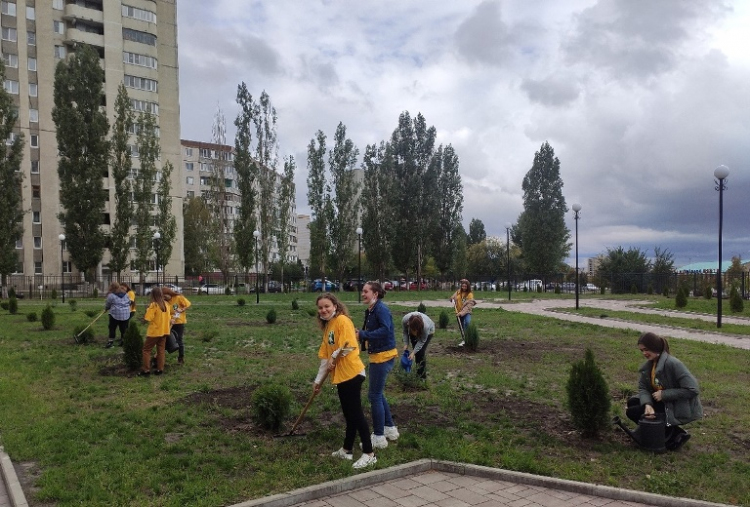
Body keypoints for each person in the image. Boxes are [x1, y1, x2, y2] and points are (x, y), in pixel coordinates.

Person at [314, 293, 377, 469]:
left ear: (335, 305)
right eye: (320, 308)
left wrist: (335, 356)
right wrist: (318, 381)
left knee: (356, 414)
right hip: (341, 376)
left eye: (327, 306)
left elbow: (348, 345)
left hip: (352, 374)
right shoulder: (328, 327)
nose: (324, 310)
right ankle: (347, 449)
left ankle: (370, 454)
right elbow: (326, 358)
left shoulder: (343, 321)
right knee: (349, 415)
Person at [625, 332, 703, 450]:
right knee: (633, 403)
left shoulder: (673, 364)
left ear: (655, 347)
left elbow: (693, 389)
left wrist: (664, 394)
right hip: (663, 402)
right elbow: (643, 387)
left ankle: (672, 435)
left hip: (676, 405)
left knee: (633, 412)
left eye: (646, 349)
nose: (644, 353)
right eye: (641, 350)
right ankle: (667, 432)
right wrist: (648, 404)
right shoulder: (650, 366)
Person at [356, 281, 399, 449]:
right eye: (362, 291)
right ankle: (390, 429)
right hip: (379, 356)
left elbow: (385, 330)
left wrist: (363, 334)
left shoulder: (381, 309)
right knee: (378, 394)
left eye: (365, 291)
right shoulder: (373, 309)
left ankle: (379, 437)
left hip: (383, 357)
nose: (363, 294)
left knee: (373, 396)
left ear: (375, 293)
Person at [138, 287, 172, 377]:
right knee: (161, 351)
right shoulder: (166, 304)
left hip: (154, 332)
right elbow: (169, 318)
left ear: (153, 295)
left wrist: (147, 310)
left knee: (146, 350)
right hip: (164, 331)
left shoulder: (154, 305)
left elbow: (148, 318)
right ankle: (160, 369)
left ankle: (146, 370)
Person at [401, 312, 435, 380]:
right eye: (414, 331)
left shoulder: (426, 327)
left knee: (420, 352)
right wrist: (406, 343)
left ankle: (422, 377)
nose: (415, 333)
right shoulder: (405, 320)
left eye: (417, 331)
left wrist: (413, 352)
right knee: (416, 353)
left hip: (429, 332)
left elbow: (422, 341)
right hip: (413, 328)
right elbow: (405, 332)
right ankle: (417, 373)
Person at [162, 287, 191, 365]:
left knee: (179, 340)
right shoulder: (165, 302)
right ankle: (160, 358)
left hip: (179, 322)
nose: (164, 298)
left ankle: (181, 357)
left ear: (169, 293)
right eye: (163, 296)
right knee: (164, 339)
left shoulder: (178, 298)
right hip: (169, 322)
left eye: (165, 296)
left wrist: (182, 309)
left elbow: (187, 304)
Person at [104, 282, 131, 348]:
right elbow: (129, 302)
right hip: (125, 314)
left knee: (112, 328)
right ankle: (124, 341)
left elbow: (108, 304)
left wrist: (106, 309)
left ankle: (110, 343)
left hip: (115, 314)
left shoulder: (111, 295)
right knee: (124, 329)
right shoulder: (126, 294)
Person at [450, 278, 476, 346]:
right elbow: (453, 297)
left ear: (468, 287)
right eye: (462, 286)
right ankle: (464, 340)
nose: (463, 288)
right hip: (458, 312)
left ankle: (468, 338)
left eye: (465, 286)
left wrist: (461, 313)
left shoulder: (470, 294)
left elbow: (468, 307)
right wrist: (452, 299)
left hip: (466, 312)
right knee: (461, 327)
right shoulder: (458, 291)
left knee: (467, 323)